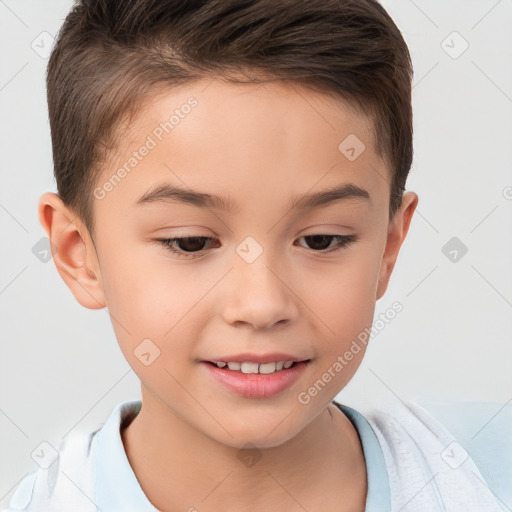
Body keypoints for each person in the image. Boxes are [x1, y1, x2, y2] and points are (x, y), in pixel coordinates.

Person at [3, 1, 508, 511]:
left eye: (321, 240)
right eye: (190, 242)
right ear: (78, 253)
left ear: (388, 246)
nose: (262, 304)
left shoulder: (487, 474)